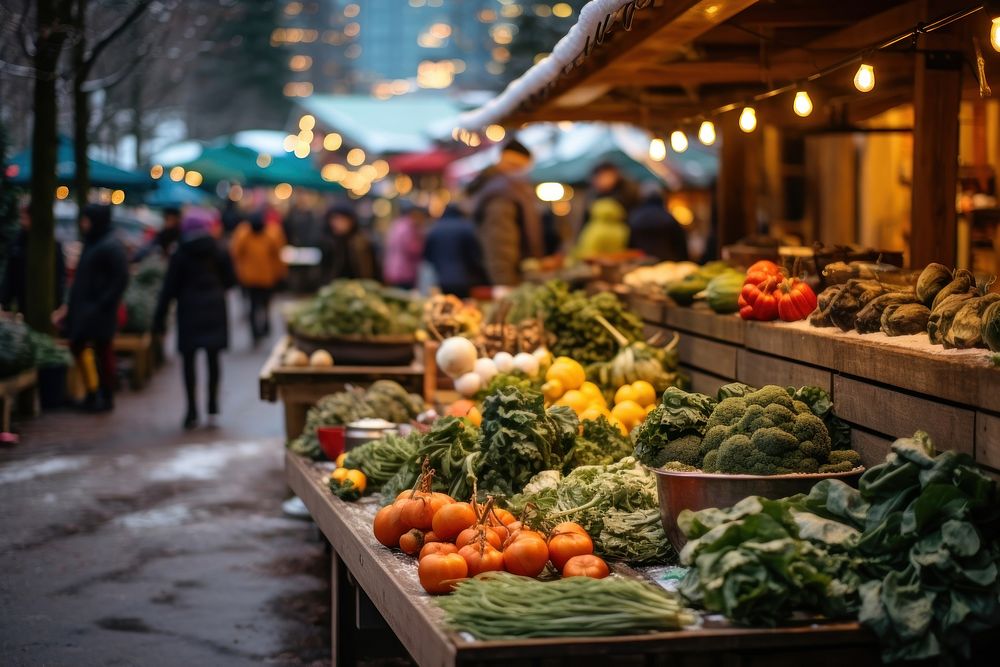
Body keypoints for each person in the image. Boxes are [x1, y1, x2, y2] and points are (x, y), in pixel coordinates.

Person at [153, 208, 236, 429]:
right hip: (214, 308)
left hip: (188, 309)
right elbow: (231, 280)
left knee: (188, 361)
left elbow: (169, 288)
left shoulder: (180, 253)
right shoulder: (219, 249)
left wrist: (159, 319)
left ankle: (191, 410)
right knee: (213, 359)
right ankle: (212, 405)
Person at [55, 204, 128, 412]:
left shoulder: (109, 245)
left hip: (99, 310)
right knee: (82, 346)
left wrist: (103, 303)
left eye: (86, 219)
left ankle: (104, 395)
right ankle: (93, 392)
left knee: (102, 351)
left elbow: (120, 279)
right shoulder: (94, 242)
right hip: (87, 308)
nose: (83, 224)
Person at [468, 139, 544, 286]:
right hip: (510, 279)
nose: (520, 172)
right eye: (516, 166)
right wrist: (505, 283)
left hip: (510, 275)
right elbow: (499, 242)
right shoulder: (503, 192)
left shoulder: (500, 187)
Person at [230, 211, 286, 346]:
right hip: (257, 277)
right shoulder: (266, 233)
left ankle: (261, 329)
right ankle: (258, 331)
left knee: (259, 305)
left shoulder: (247, 233)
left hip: (258, 277)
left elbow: (236, 253)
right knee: (257, 305)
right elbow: (236, 253)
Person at [1, 205, 66, 314]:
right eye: (21, 217)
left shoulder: (51, 244)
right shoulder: (18, 242)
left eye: (25, 218)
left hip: (45, 301)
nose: (22, 222)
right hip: (23, 300)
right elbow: (10, 273)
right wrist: (4, 301)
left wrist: (58, 303)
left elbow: (59, 275)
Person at [423, 204, 489, 298]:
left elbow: (427, 256)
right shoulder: (466, 227)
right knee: (464, 309)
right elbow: (475, 255)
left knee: (448, 306)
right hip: (466, 280)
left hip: (442, 279)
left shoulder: (434, 229)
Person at [628, 183, 689, 261]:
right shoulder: (667, 217)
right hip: (668, 263)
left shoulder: (634, 217)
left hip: (641, 262)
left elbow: (630, 244)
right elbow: (680, 243)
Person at [318, 203, 377, 283]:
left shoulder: (362, 243)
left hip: (359, 289)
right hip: (330, 290)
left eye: (342, 219)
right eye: (335, 218)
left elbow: (372, 270)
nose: (338, 223)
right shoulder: (325, 242)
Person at [383, 202, 427, 290]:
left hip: (393, 269)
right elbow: (412, 249)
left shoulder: (397, 225)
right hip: (404, 272)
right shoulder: (409, 228)